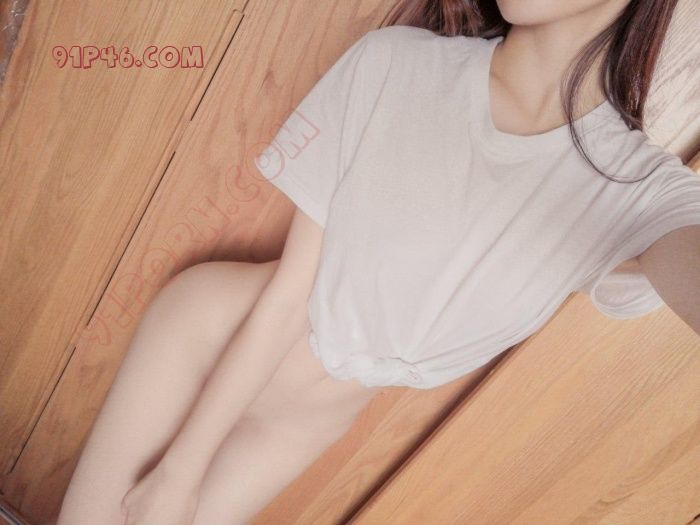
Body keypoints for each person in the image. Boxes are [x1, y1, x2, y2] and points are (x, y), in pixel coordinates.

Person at [54, 0, 700, 524]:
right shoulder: (395, 63)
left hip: (306, 422)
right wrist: (178, 474)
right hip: (218, 337)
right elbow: (289, 295)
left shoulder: (638, 191)